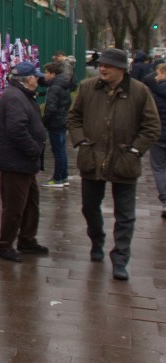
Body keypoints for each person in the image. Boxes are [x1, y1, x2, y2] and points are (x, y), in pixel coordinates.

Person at [67, 48, 160, 280]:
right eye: (101, 65)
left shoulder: (139, 91)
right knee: (89, 207)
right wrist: (81, 142)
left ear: (122, 69)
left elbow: (152, 126)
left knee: (125, 214)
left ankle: (120, 258)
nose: (102, 69)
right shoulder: (88, 87)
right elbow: (73, 117)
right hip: (92, 158)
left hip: (124, 160)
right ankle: (96, 240)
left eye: (108, 65)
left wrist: (136, 151)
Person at [0, 61, 49, 262]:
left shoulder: (21, 95)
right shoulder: (15, 97)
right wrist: (34, 149)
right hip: (16, 162)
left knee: (31, 204)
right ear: (27, 80)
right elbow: (17, 129)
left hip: (24, 163)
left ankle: (27, 239)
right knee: (14, 207)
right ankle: (5, 244)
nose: (38, 79)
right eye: (36, 76)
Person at [41, 61, 72, 188]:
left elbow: (51, 108)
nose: (44, 75)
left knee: (58, 150)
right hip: (62, 120)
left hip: (55, 123)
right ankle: (63, 176)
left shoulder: (54, 87)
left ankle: (58, 178)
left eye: (46, 73)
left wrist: (44, 122)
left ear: (52, 74)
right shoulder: (63, 85)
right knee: (61, 150)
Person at [143, 63, 166, 218]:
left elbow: (147, 78)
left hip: (159, 135)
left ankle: (165, 201)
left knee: (159, 169)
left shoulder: (154, 93)